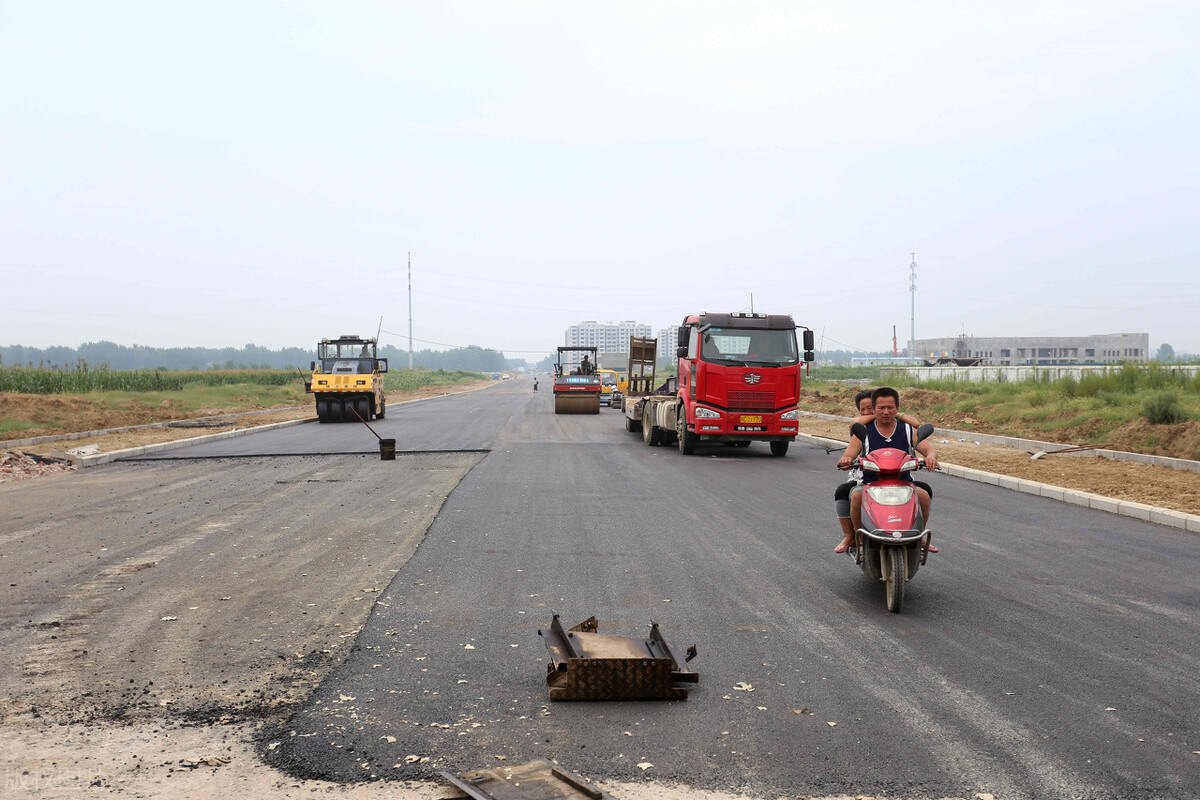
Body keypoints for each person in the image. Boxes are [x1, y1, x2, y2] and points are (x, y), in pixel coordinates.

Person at [837, 387, 939, 552]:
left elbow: (928, 449)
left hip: (903, 482)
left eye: (890, 407)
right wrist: (846, 459)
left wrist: (931, 457)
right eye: (881, 408)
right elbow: (849, 452)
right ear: (874, 409)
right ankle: (858, 537)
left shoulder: (907, 429)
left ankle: (920, 536)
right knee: (855, 496)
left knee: (924, 496)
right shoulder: (863, 431)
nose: (885, 412)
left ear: (897, 408)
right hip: (870, 483)